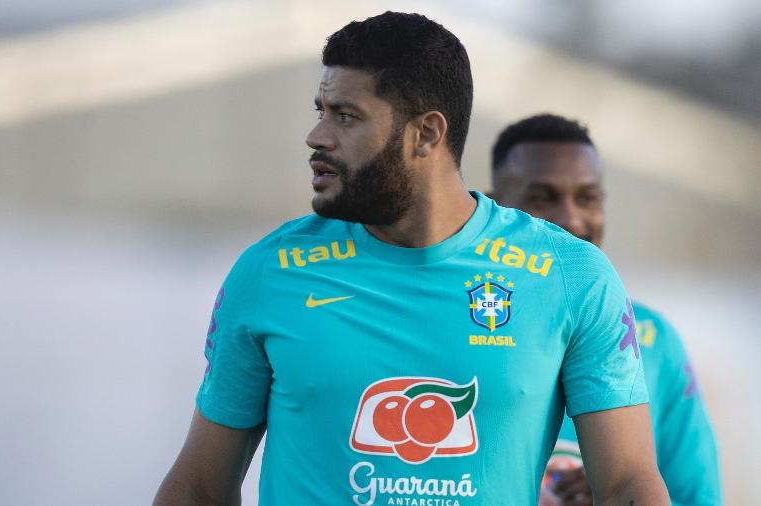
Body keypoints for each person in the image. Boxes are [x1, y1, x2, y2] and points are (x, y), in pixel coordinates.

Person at [155, 13, 669, 505]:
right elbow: (198, 488)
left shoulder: (571, 276)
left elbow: (626, 484)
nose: (317, 137)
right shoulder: (269, 272)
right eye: (322, 112)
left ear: (426, 133)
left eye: (347, 117)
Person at [489, 113, 720, 506]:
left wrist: (622, 493)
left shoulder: (652, 337)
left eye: (587, 198)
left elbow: (699, 496)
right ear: (494, 208)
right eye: (542, 198)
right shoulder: (471, 316)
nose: (572, 220)